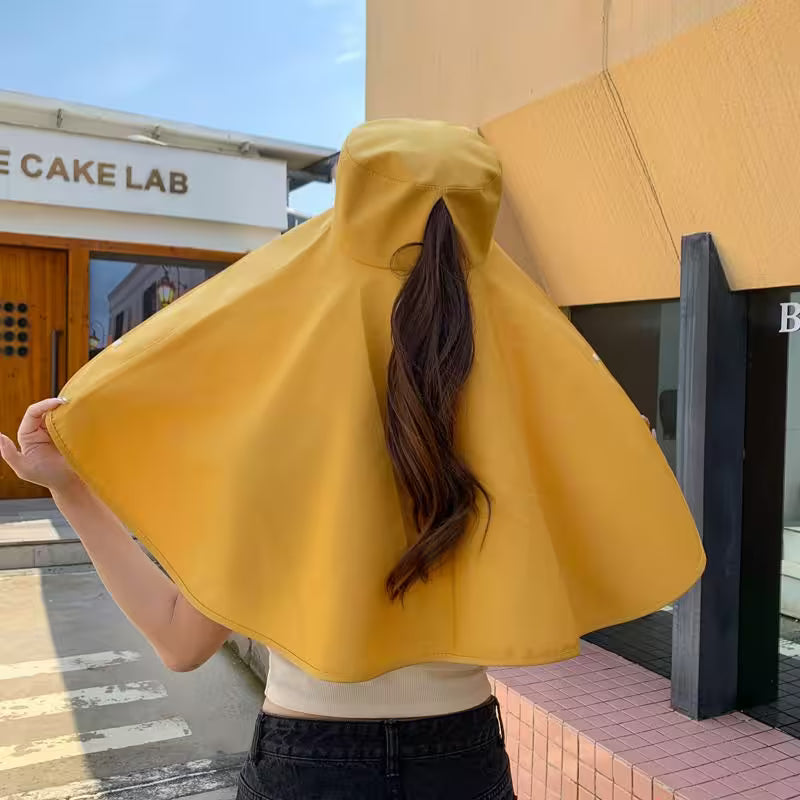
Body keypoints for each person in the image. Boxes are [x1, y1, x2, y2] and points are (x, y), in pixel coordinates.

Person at [1, 119, 704, 800]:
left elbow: (183, 642)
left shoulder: (280, 416)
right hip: (461, 756)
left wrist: (70, 490)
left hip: (307, 758)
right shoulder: (531, 391)